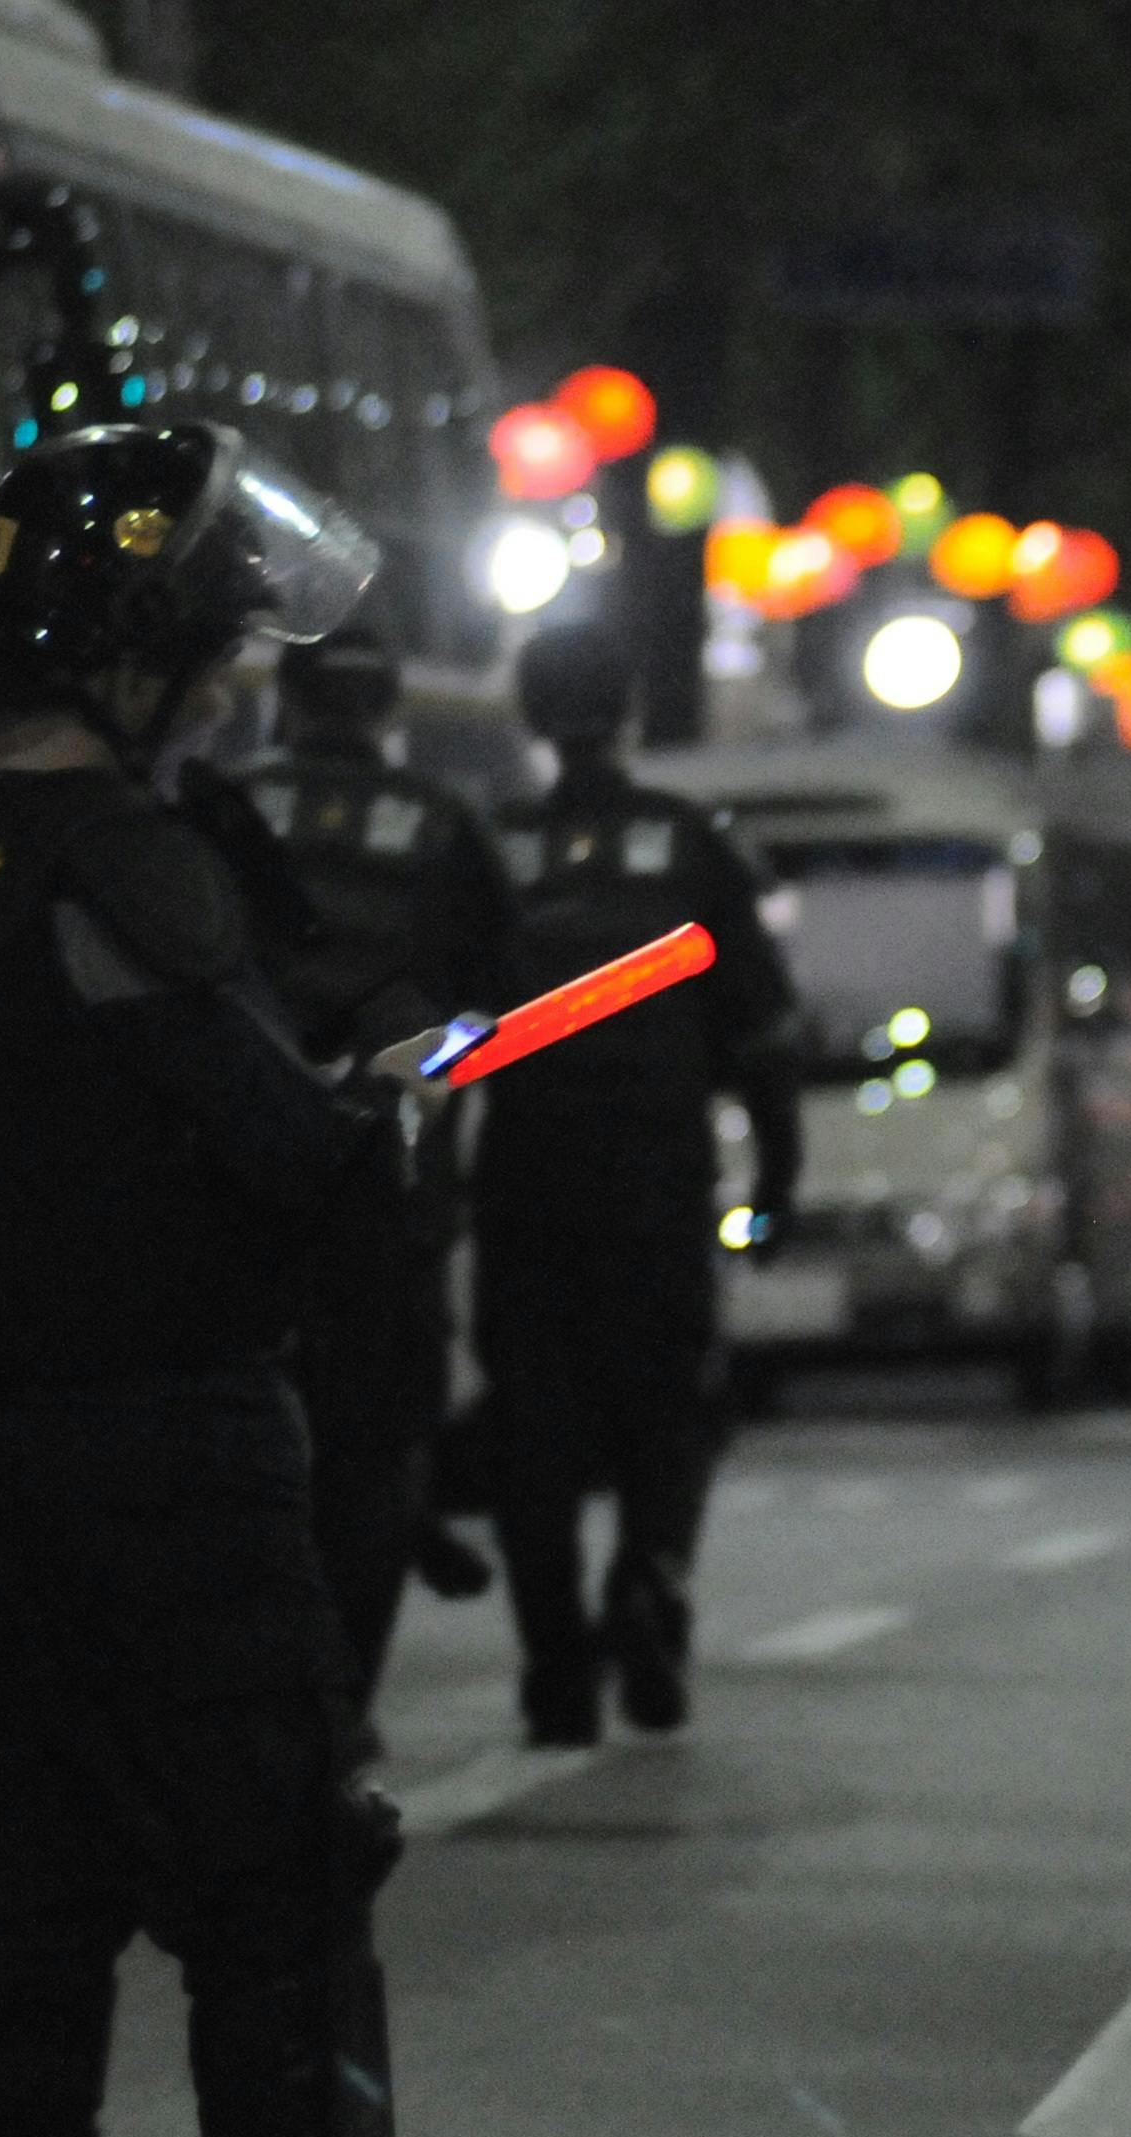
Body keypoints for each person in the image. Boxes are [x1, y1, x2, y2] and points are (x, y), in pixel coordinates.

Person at [0, 420, 564, 2137]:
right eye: (209, 650)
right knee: (280, 1888)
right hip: (166, 1453)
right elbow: (286, 1153)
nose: (230, 684)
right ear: (130, 658)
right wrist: (383, 1103)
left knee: (26, 1910)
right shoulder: (135, 865)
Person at [480, 622, 804, 1746]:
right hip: (660, 1179)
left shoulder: (493, 847)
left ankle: (556, 1673)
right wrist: (777, 1183)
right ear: (628, 711)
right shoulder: (690, 845)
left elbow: (433, 1031)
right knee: (671, 1404)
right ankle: (653, 1570)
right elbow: (762, 1036)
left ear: (527, 713)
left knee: (534, 1430)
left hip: (523, 1178)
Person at [210, 621, 525, 1709]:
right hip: (389, 1188)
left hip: (237, 1182)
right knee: (376, 1447)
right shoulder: (443, 825)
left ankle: (256, 1686)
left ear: (280, 703)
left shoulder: (221, 809)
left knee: (243, 1436)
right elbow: (501, 1006)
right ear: (389, 714)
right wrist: (412, 1079)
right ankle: (344, 1701)